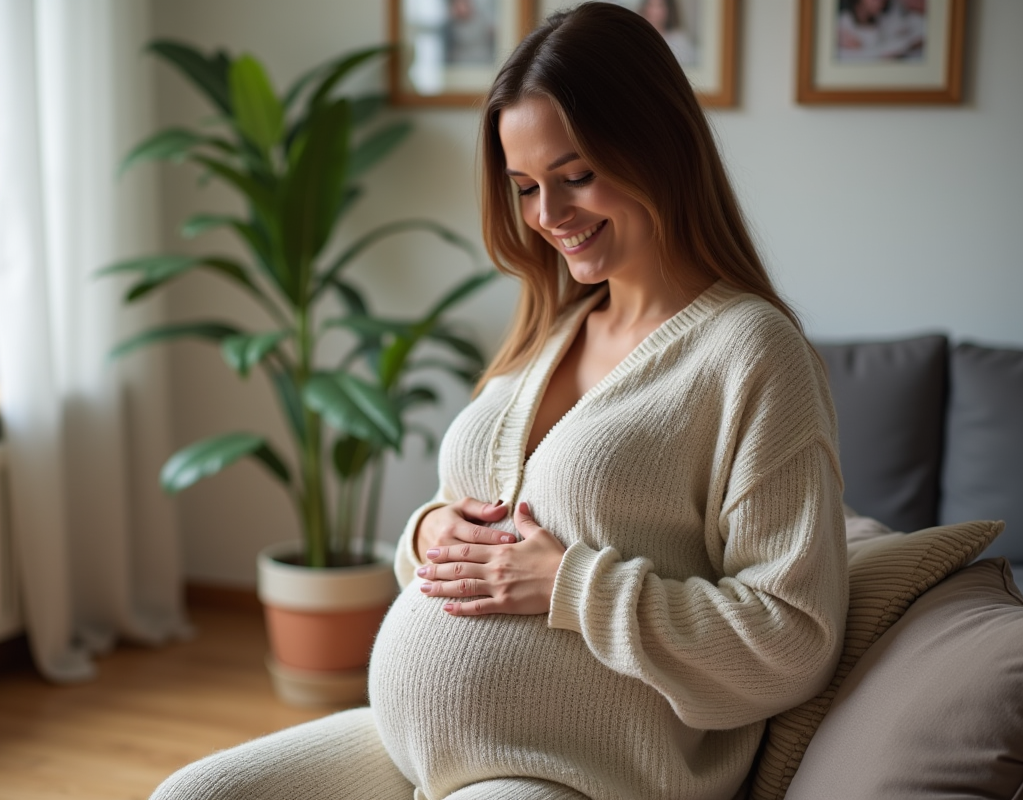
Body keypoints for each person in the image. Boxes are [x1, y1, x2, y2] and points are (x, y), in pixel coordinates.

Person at [150, 4, 848, 799]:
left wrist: (571, 585)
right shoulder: (552, 328)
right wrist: (426, 533)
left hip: (584, 775)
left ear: (659, 147)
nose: (549, 217)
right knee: (192, 795)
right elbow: (467, 527)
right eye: (524, 187)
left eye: (576, 176)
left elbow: (793, 639)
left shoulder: (752, 352)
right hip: (416, 746)